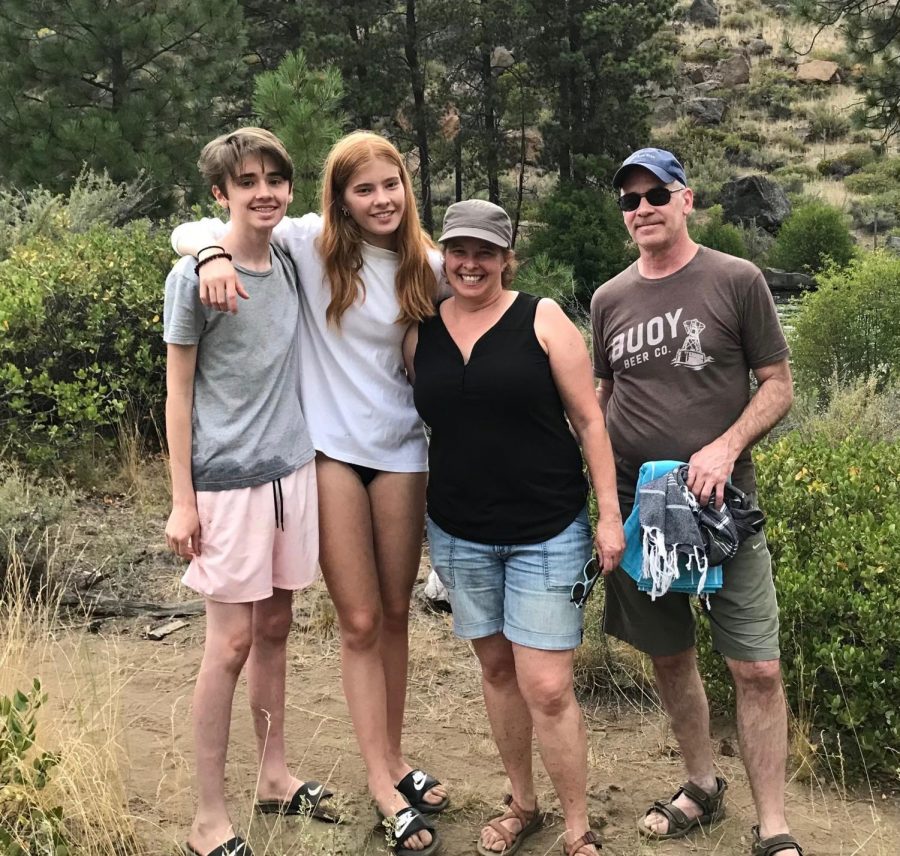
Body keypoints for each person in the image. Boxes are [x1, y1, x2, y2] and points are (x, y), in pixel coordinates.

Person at [171, 131, 447, 856]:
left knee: (393, 616)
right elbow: (208, 223)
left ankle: (390, 759)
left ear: (406, 189)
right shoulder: (311, 244)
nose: (381, 199)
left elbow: (486, 302)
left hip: (399, 454)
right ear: (340, 197)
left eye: (391, 185)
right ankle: (380, 787)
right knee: (356, 620)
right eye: (364, 189)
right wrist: (207, 252)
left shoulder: (429, 264)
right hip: (324, 453)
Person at [590, 148, 800, 856]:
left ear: (687, 199)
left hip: (724, 506)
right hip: (642, 507)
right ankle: (702, 784)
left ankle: (773, 825)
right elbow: (603, 400)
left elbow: (777, 383)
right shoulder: (608, 300)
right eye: (629, 199)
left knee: (757, 666)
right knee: (671, 656)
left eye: (656, 193)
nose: (642, 207)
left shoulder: (736, 280)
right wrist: (603, 502)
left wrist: (725, 445)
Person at [403, 200, 625, 856]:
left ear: (507, 259)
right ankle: (522, 803)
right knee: (497, 669)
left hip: (547, 529)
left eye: (486, 252)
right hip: (459, 531)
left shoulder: (544, 318)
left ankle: (579, 825)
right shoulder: (419, 332)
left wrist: (608, 516)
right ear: (445, 255)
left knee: (548, 685)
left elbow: (589, 421)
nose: (471, 264)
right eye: (459, 251)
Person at [164, 128, 339, 856]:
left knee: (275, 630)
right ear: (220, 193)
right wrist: (183, 498)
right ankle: (208, 817)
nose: (263, 190)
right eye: (247, 180)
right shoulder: (196, 277)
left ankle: (274, 775)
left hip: (291, 473)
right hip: (227, 483)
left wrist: (203, 242)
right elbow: (176, 391)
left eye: (275, 177)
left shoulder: (292, 261)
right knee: (229, 642)